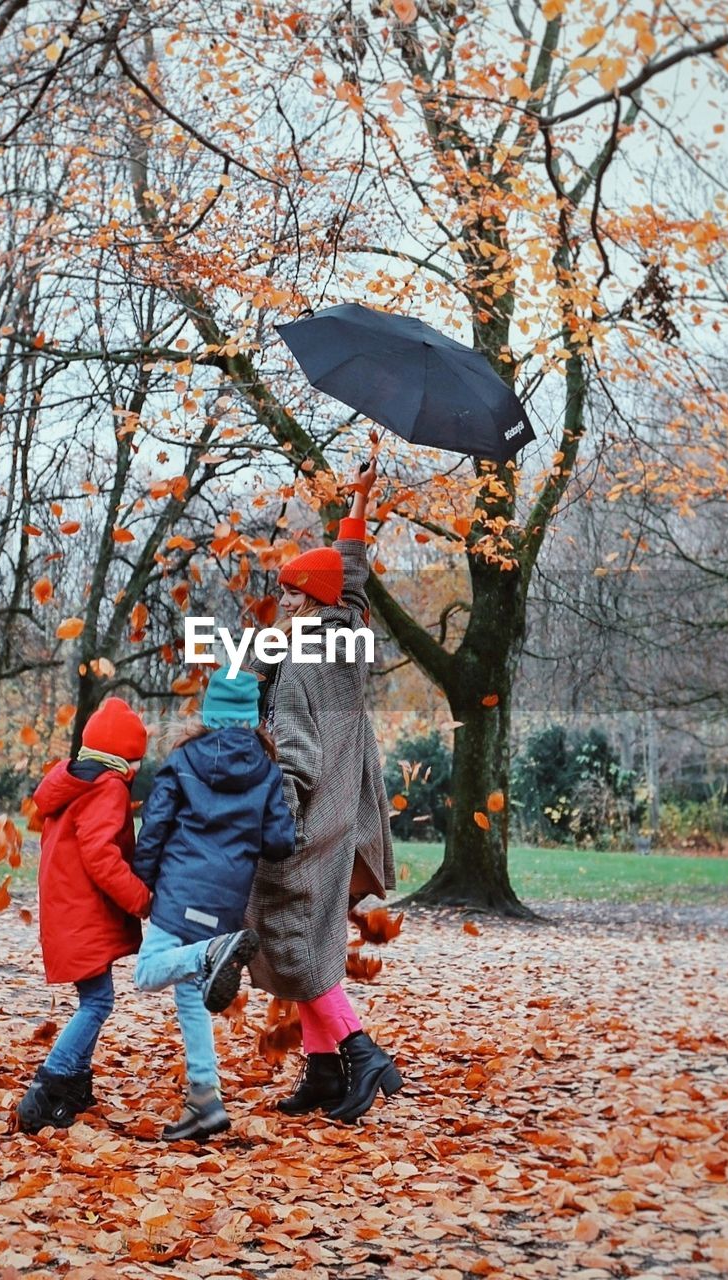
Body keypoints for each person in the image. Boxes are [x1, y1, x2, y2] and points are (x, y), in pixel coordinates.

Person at [245, 458, 400, 1123]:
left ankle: (361, 1053)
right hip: (345, 818)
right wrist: (358, 507)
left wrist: (269, 827)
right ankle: (322, 1071)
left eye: (291, 596)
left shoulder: (301, 664)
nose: (284, 606)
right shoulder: (345, 634)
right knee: (307, 947)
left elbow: (298, 763)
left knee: (290, 944)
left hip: (305, 824)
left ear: (306, 601)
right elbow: (353, 575)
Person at [131, 666, 296, 1141]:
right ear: (251, 718)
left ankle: (208, 955)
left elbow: (155, 829)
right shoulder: (266, 772)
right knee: (189, 994)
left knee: (148, 973)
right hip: (225, 905)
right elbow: (280, 841)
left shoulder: (182, 761)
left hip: (180, 893)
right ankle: (205, 1096)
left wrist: (143, 886)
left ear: (209, 713)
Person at [16, 697, 151, 1133]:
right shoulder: (107, 788)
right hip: (82, 913)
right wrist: (141, 898)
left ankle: (74, 1082)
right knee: (98, 1002)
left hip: (68, 911)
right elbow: (101, 857)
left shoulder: (74, 782)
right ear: (125, 756)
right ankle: (49, 1085)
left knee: (95, 999)